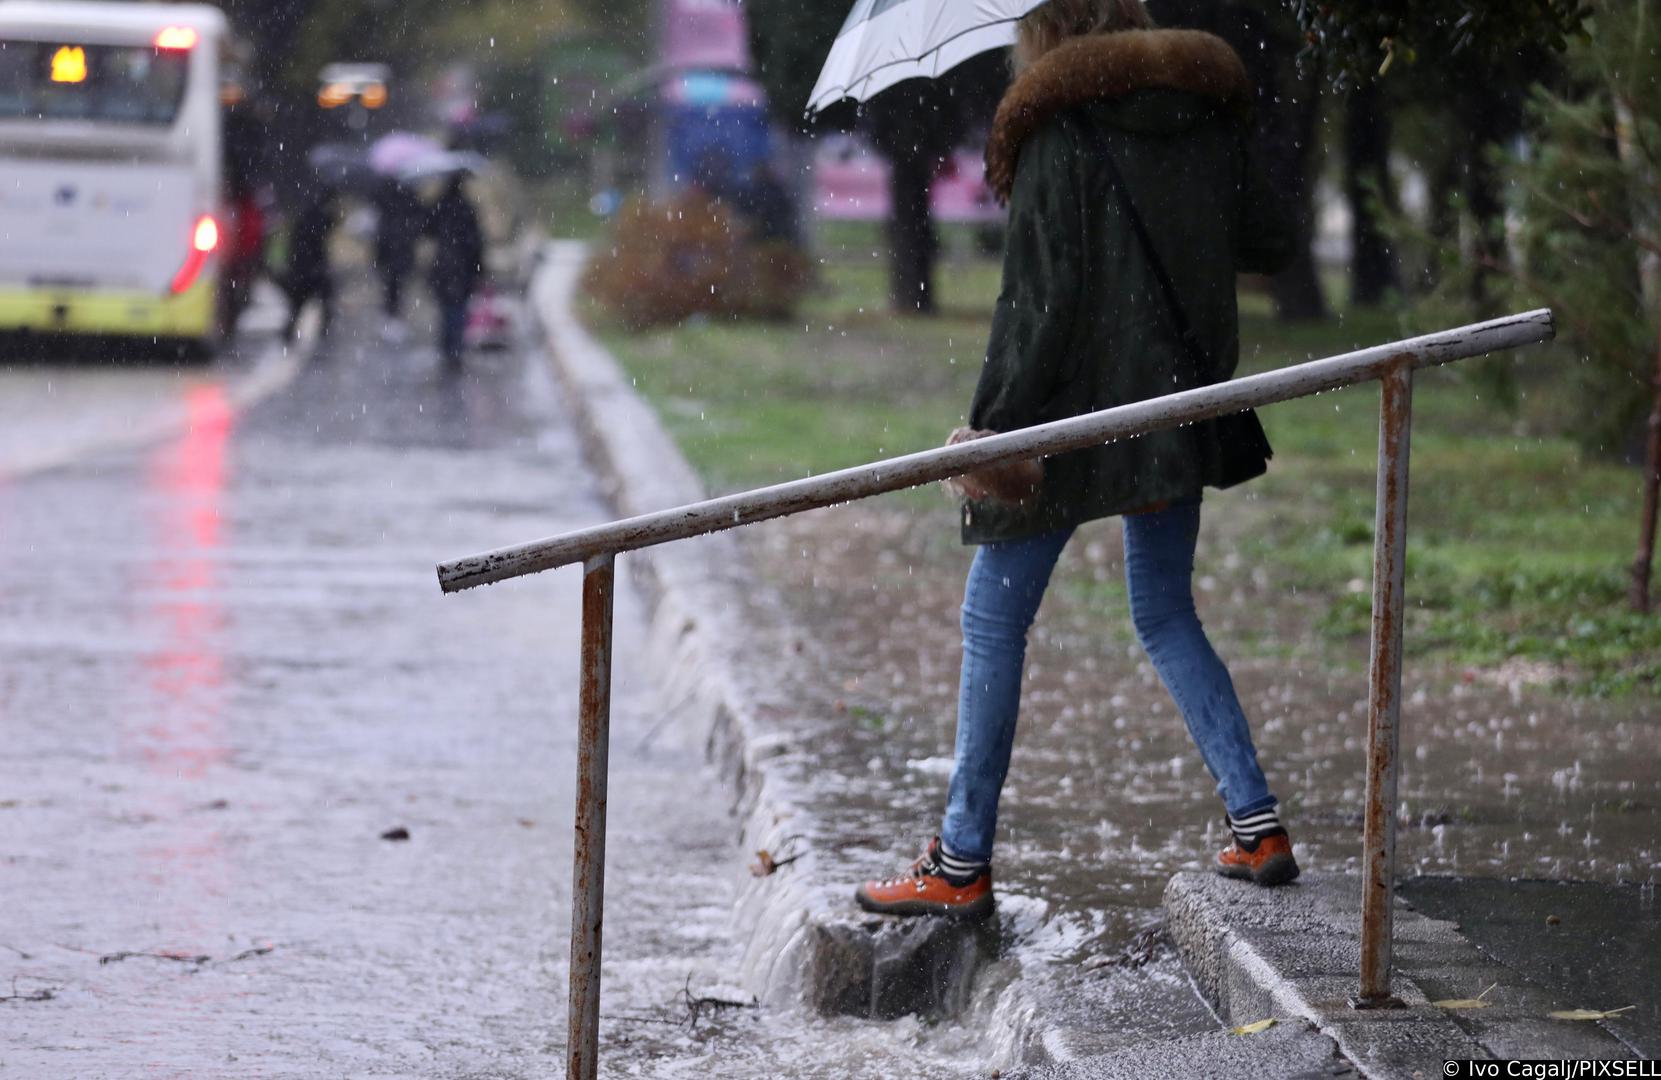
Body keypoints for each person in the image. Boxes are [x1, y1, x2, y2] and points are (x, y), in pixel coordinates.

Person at [855, 0, 1297, 921]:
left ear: (1041, 32)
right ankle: (1258, 828)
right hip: (1175, 407)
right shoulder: (1206, 117)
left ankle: (960, 860)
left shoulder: (1054, 135)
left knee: (991, 622)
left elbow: (1036, 313)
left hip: (1067, 424)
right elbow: (1268, 242)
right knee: (1166, 612)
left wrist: (994, 436)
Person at [424, 172, 485, 368]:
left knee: (446, 308)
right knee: (458, 307)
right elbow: (475, 242)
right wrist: (478, 268)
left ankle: (447, 347)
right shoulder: (467, 208)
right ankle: (455, 348)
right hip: (463, 266)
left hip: (444, 264)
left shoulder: (439, 206)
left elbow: (427, 230)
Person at [282, 186, 338, 343]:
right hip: (311, 266)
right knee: (321, 299)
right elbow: (320, 235)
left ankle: (290, 332)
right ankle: (323, 330)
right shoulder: (318, 217)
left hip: (301, 266)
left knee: (298, 304)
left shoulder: (306, 213)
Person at [373, 176, 424, 328]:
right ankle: (394, 317)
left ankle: (391, 316)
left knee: (391, 284)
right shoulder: (409, 195)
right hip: (400, 247)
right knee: (397, 283)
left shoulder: (383, 193)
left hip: (390, 247)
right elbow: (419, 220)